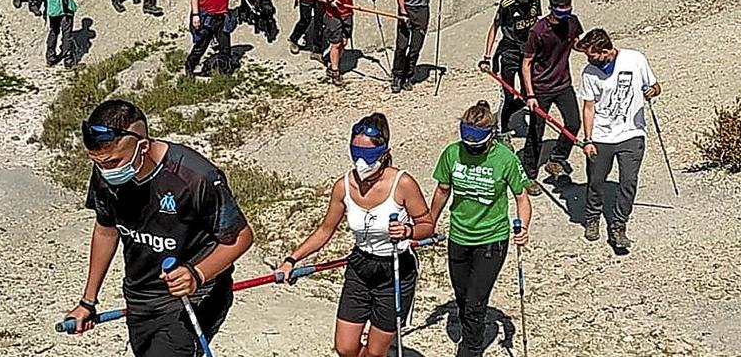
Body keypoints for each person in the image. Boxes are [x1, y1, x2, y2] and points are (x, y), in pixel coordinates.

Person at [63, 100, 253, 356]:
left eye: (112, 162)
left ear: (142, 146)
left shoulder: (195, 176)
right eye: (97, 162)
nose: (104, 171)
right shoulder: (105, 173)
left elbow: (241, 236)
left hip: (192, 299)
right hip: (140, 297)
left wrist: (197, 274)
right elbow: (106, 230)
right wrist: (88, 301)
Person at [276, 113, 435, 357]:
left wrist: (407, 231)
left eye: (368, 155)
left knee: (374, 353)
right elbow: (324, 230)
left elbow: (427, 225)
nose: (361, 161)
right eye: (356, 153)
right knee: (345, 347)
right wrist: (292, 260)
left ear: (384, 152)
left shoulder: (402, 183)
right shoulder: (343, 186)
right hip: (360, 266)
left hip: (394, 269)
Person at [429, 100, 533, 357]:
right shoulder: (452, 153)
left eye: (476, 146)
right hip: (459, 235)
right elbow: (442, 190)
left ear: (490, 137)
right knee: (462, 296)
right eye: (468, 144)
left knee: (475, 302)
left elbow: (522, 197)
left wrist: (524, 227)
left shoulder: (505, 158)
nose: (471, 150)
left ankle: (470, 350)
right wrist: (428, 223)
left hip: (492, 238)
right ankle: (471, 330)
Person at [577, 29, 661, 249]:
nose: (589, 60)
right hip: (601, 136)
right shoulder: (588, 73)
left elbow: (655, 86)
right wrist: (588, 139)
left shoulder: (635, 59)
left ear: (606, 50)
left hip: (632, 133)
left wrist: (652, 90)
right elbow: (588, 107)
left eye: (592, 56)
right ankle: (592, 217)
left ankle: (618, 225)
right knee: (596, 180)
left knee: (629, 181)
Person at [520, 0, 583, 196]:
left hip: (563, 83)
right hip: (541, 88)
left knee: (573, 123)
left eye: (567, 11)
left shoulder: (572, 22)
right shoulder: (538, 31)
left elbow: (575, 43)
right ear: (551, 9)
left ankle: (556, 159)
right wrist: (530, 95)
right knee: (536, 133)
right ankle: (528, 175)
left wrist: (594, 49)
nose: (564, 17)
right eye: (560, 13)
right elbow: (526, 63)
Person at [478, 0, 541, 144]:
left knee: (528, 92)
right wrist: (487, 56)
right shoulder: (507, 4)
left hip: (527, 51)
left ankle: (505, 116)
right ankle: (502, 130)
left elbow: (537, 23)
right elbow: (494, 27)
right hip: (508, 52)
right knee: (507, 94)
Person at [389, 0, 448, 94]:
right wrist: (402, 11)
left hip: (422, 11)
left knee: (415, 48)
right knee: (401, 46)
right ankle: (397, 76)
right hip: (406, 9)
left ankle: (408, 76)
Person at [312, 0, 375, 87]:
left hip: (347, 12)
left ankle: (332, 63)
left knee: (344, 42)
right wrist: (329, 0)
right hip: (333, 14)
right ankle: (335, 71)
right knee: (336, 43)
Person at [185, 0, 235, 77]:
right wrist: (196, 15)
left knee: (225, 46)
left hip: (221, 16)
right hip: (206, 16)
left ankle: (224, 72)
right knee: (201, 46)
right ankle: (190, 68)